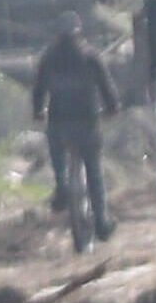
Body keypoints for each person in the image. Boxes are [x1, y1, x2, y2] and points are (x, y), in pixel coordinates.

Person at [28, 27, 122, 239]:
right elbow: (106, 85)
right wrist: (112, 106)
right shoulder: (90, 56)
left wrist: (37, 111)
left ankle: (62, 186)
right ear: (79, 35)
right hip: (87, 120)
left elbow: (38, 89)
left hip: (59, 122)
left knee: (57, 155)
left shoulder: (49, 58)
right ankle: (101, 221)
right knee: (94, 171)